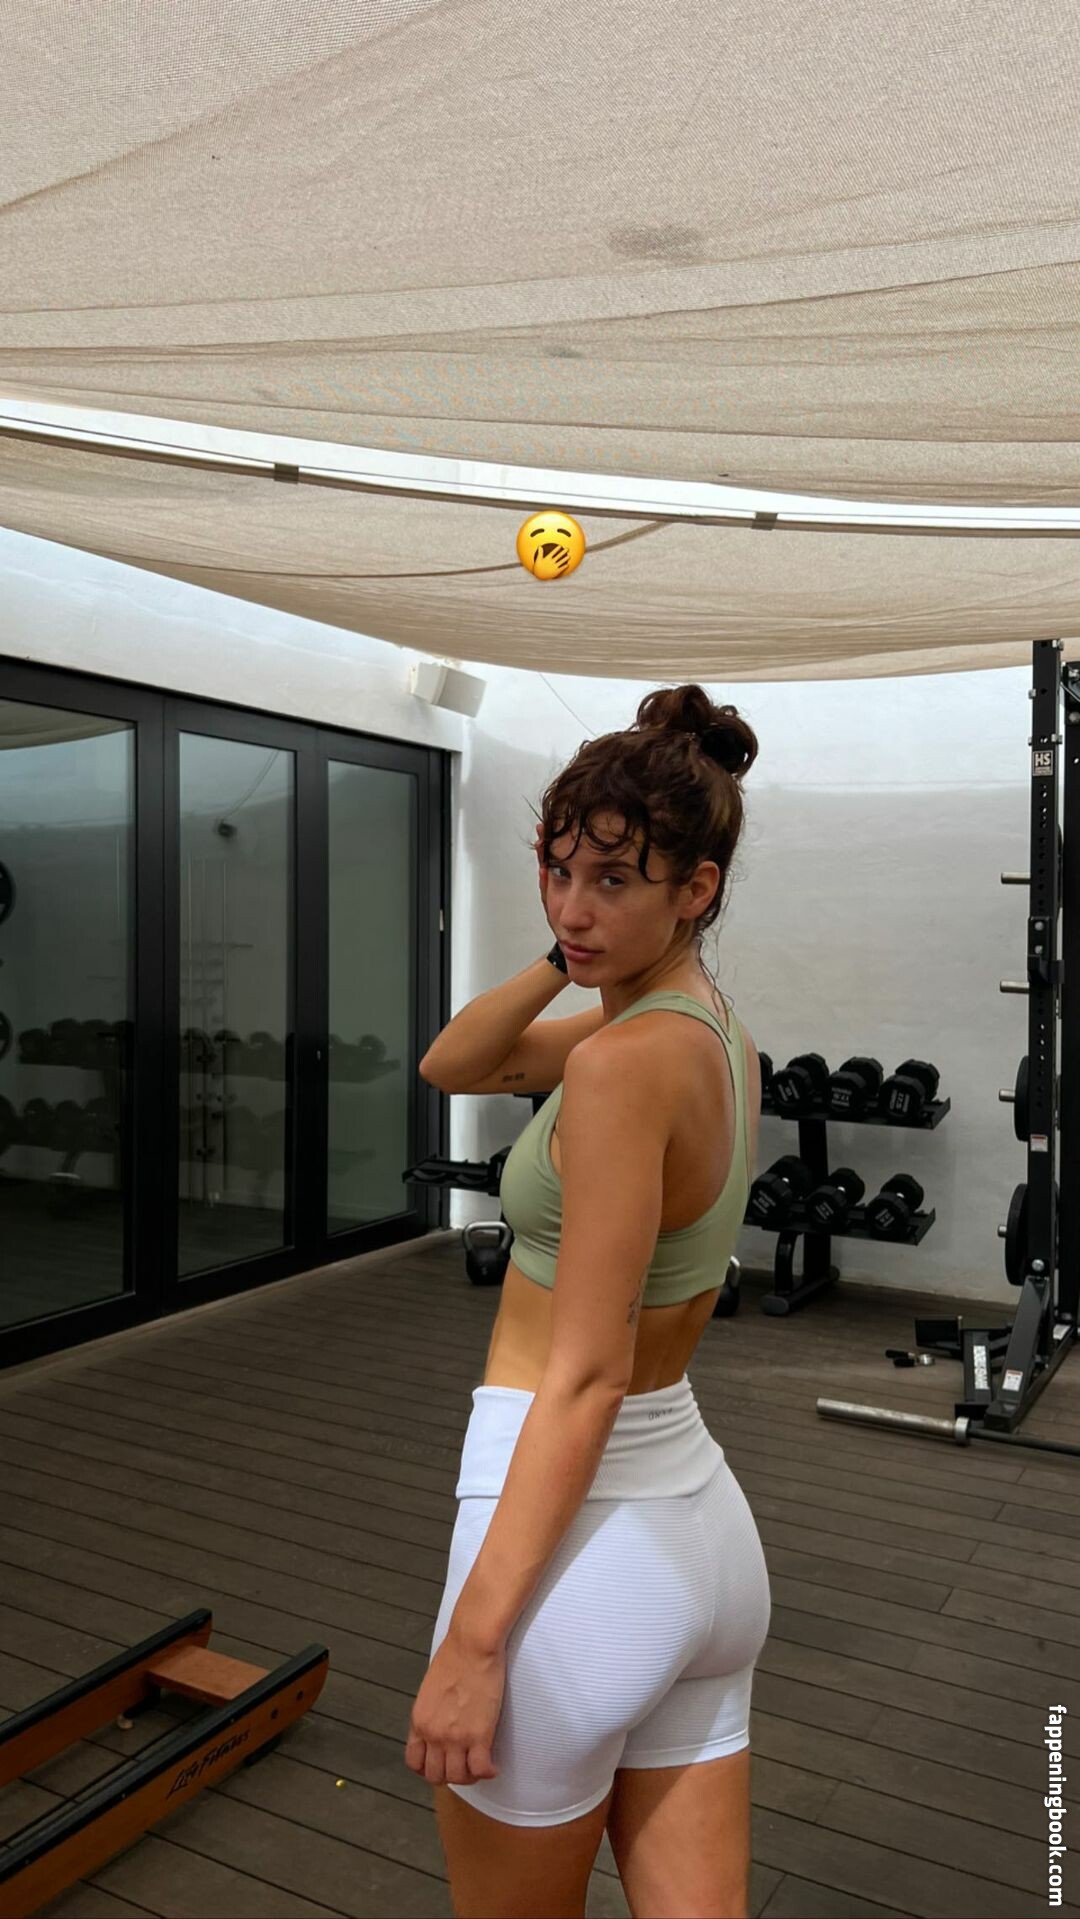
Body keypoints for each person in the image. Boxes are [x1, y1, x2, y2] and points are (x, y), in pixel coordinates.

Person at [410, 683, 771, 1919]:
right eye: (558, 871)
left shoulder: (621, 1064)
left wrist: (475, 1640)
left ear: (697, 888)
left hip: (577, 1549)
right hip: (700, 1535)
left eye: (615, 879)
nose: (572, 905)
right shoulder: (705, 1032)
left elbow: (585, 1374)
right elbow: (453, 1062)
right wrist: (570, 948)